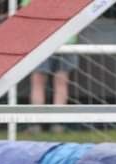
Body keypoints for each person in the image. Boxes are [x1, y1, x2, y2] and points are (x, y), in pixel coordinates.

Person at [21, 0, 78, 134]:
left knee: (38, 82)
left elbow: (26, 13)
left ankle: (36, 125)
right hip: (65, 38)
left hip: (42, 38)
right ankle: (56, 124)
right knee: (60, 82)